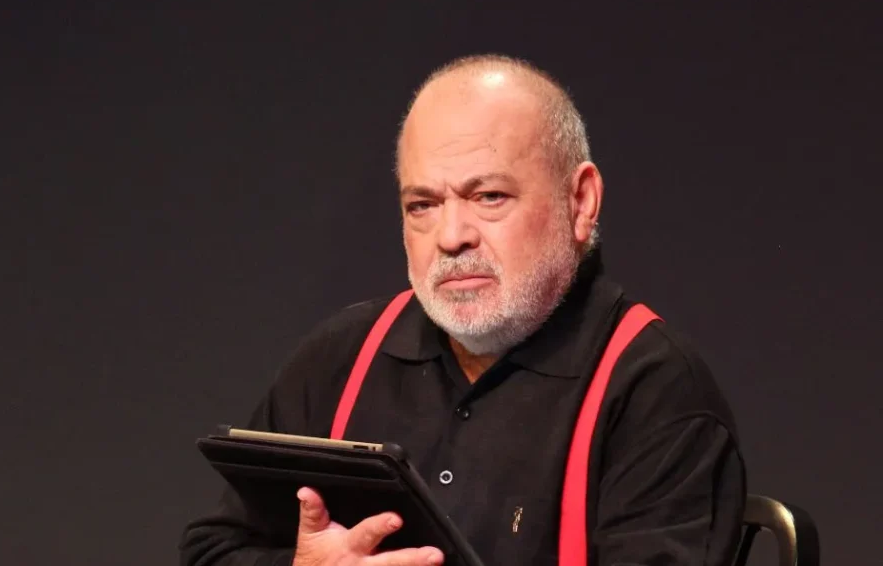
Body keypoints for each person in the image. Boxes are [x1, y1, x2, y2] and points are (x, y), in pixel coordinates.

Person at [179, 54, 746, 566]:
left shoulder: (655, 391)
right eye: (422, 205)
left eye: (488, 196)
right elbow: (214, 550)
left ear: (580, 202)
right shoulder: (341, 358)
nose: (451, 236)